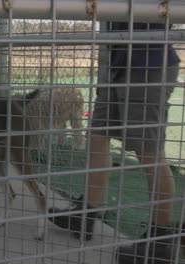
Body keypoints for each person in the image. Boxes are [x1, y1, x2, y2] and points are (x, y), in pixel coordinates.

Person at [49, 22, 181, 264]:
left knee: (149, 152)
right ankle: (86, 213)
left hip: (148, 63)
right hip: (116, 64)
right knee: (97, 138)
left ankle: (160, 243)